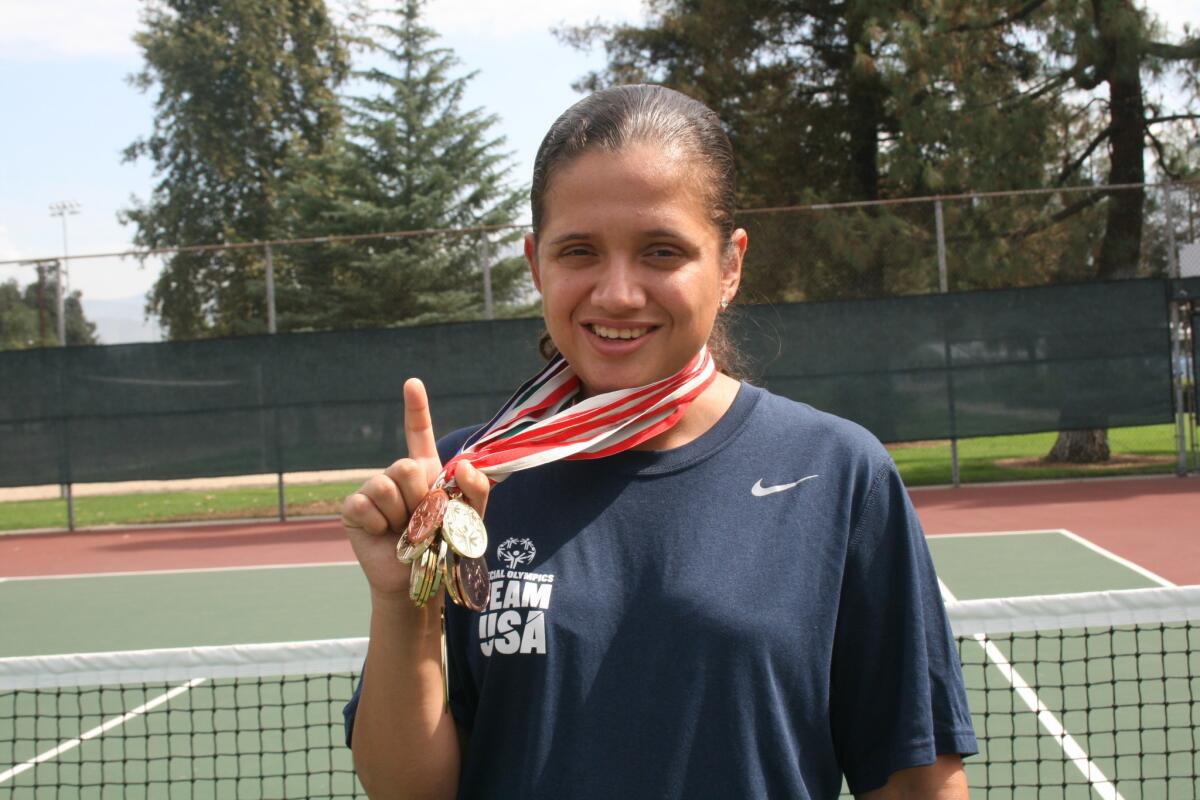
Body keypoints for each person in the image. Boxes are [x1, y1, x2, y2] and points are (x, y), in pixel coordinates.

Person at [340, 84, 977, 799]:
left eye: (661, 251)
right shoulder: (463, 486)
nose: (617, 292)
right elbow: (408, 793)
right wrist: (405, 607)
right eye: (578, 250)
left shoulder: (836, 472)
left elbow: (917, 780)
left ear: (729, 265)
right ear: (535, 264)